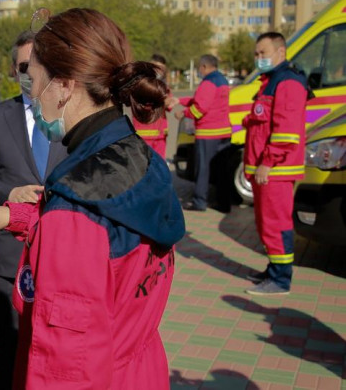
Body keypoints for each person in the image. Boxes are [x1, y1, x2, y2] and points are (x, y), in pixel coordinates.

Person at [0, 7, 185, 389]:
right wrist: (16, 217)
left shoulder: (76, 203)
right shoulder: (137, 156)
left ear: (63, 86)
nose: (31, 95)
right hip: (139, 366)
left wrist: (54, 221)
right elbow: (109, 238)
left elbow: (66, 365)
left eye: (34, 80)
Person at [0, 30, 68, 389]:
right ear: (14, 69)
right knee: (11, 346)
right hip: (12, 254)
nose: (32, 72)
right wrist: (8, 193)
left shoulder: (72, 114)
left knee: (59, 348)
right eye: (25, 66)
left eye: (41, 64)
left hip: (65, 250)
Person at [243, 32, 308, 296]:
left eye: (263, 53)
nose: (259, 58)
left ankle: (281, 280)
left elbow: (286, 132)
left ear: (281, 52)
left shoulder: (288, 82)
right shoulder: (270, 80)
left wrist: (267, 163)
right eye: (256, 53)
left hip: (276, 170)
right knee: (266, 224)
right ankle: (273, 269)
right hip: (267, 169)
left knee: (276, 224)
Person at [174, 54, 231, 211]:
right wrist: (180, 101)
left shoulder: (208, 83)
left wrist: (183, 113)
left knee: (203, 169)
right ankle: (224, 204)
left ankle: (199, 201)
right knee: (222, 170)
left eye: (199, 67)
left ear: (204, 67)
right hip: (224, 133)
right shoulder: (222, 80)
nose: (199, 70)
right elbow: (202, 100)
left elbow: (199, 108)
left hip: (208, 133)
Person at [132, 54, 179, 159]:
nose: (159, 71)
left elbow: (168, 105)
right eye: (156, 67)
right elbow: (141, 103)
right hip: (145, 132)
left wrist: (171, 102)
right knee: (144, 163)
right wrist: (162, 102)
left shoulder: (164, 86)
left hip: (160, 134)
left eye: (162, 68)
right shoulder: (140, 84)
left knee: (160, 162)